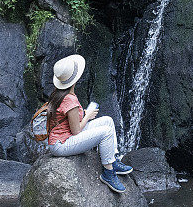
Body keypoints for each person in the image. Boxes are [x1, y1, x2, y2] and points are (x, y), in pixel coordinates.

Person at [46, 54, 132, 193]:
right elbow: (76, 131)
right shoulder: (70, 100)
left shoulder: (59, 93)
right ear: (75, 80)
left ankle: (113, 160)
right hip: (61, 145)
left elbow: (68, 119)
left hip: (64, 136)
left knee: (108, 121)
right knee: (106, 132)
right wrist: (88, 117)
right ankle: (108, 173)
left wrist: (84, 114)